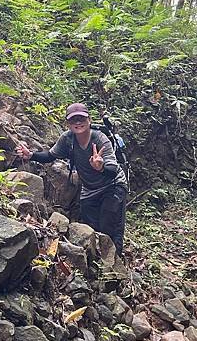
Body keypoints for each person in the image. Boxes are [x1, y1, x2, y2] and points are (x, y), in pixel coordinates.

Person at [16, 102, 128, 256]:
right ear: (68, 123)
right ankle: (97, 265)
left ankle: (116, 265)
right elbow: (50, 155)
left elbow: (112, 170)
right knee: (92, 229)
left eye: (81, 118)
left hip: (112, 185)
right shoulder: (67, 139)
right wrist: (31, 155)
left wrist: (100, 167)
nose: (78, 123)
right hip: (90, 190)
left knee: (110, 225)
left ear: (89, 120)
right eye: (73, 120)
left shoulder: (100, 139)